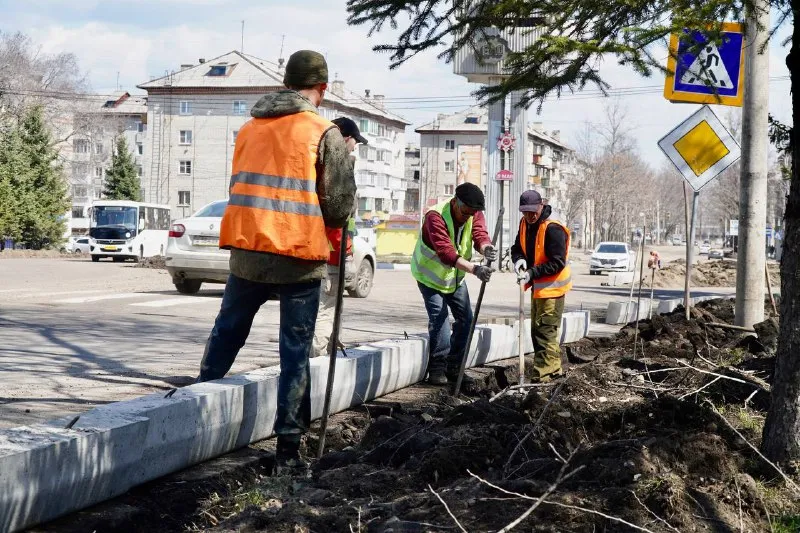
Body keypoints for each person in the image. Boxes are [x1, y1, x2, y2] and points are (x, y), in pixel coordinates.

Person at [197, 50, 357, 474]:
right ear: (321, 88)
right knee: (294, 351)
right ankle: (287, 446)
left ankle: (197, 406)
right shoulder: (323, 131)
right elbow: (339, 208)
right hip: (297, 256)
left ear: (286, 83)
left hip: (248, 250)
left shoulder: (249, 128)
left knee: (228, 330)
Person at [411, 182, 495, 386]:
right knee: (439, 318)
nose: (468, 216)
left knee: (466, 320)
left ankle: (455, 367)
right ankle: (437, 369)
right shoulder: (435, 216)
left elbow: (479, 234)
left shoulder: (474, 212)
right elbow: (446, 252)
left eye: (472, 213)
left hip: (454, 278)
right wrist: (475, 269)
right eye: (466, 211)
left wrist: (486, 248)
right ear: (456, 202)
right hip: (429, 277)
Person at [312, 117, 368, 358]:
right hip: (330, 253)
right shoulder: (332, 174)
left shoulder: (320, 164)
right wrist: (343, 253)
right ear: (345, 138)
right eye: (355, 141)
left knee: (329, 308)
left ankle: (328, 349)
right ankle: (317, 358)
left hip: (330, 250)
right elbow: (336, 218)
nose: (355, 147)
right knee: (325, 308)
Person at [511, 190, 573, 382]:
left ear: (541, 206)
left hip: (553, 288)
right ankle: (553, 371)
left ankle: (543, 375)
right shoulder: (524, 223)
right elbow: (517, 247)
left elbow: (557, 262)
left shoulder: (552, 228)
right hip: (538, 288)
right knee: (538, 330)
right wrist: (519, 260)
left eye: (533, 212)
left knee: (546, 331)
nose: (529, 216)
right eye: (525, 212)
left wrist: (532, 273)